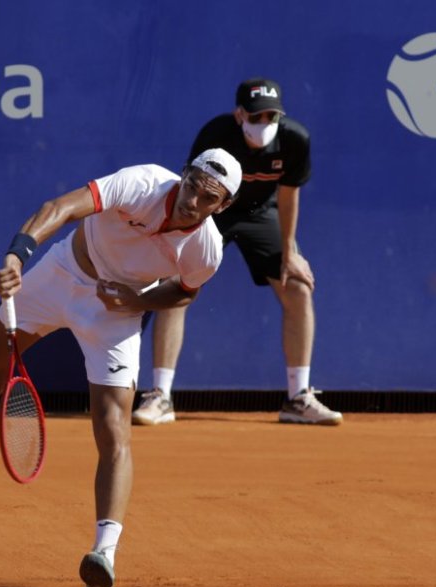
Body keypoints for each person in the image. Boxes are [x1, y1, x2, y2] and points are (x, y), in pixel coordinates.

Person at [0, 148, 243, 587]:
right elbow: (61, 208)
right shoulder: (144, 182)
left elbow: (185, 291)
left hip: (115, 314)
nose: (193, 200)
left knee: (113, 428)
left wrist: (136, 301)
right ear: (185, 173)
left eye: (208, 198)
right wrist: (17, 256)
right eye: (192, 185)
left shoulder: (206, 249)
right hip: (62, 272)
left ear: (223, 205)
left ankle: (104, 554)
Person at [132, 78, 343, 427]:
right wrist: (180, 238)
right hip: (212, 212)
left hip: (262, 213)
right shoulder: (216, 135)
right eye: (256, 117)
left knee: (298, 286)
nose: (264, 124)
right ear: (239, 114)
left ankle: (298, 398)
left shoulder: (294, 139)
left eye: (271, 117)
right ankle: (160, 396)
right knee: (175, 285)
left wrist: (289, 250)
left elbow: (289, 195)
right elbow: (192, 191)